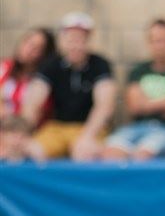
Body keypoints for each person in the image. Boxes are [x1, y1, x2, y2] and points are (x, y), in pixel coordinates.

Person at [23, 13, 116, 161]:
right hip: (57, 128)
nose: (76, 45)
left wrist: (87, 137)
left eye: (81, 40)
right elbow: (32, 102)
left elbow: (105, 106)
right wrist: (23, 134)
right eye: (71, 39)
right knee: (32, 150)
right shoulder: (51, 64)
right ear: (63, 40)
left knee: (85, 153)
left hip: (89, 128)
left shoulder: (100, 65)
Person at [103, 19, 165, 161]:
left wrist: (147, 103)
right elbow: (135, 107)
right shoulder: (138, 70)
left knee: (143, 155)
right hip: (136, 127)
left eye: (164, 40)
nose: (160, 46)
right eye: (155, 41)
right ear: (149, 43)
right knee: (110, 153)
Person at [0, 28, 56, 121]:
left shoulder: (43, 81)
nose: (28, 49)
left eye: (36, 48)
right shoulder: (5, 67)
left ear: (44, 54)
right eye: (27, 42)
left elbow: (36, 114)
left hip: (26, 129)